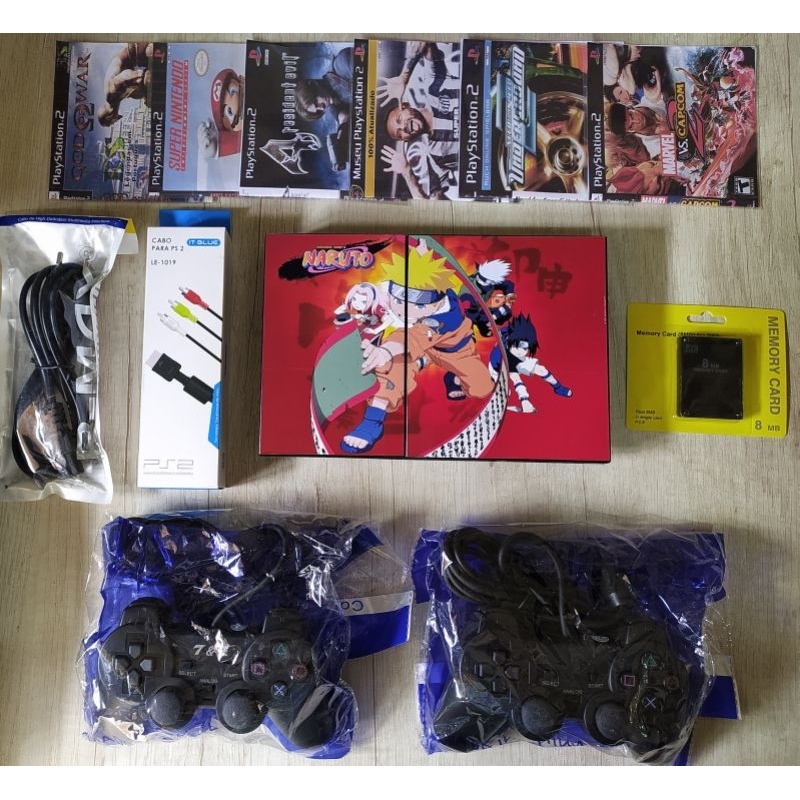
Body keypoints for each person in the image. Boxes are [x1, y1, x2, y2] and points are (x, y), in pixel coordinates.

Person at [340, 244, 494, 453]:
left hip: (455, 353)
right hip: (419, 348)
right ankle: (372, 422)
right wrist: (421, 252)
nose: (401, 308)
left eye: (418, 303)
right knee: (391, 368)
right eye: (397, 297)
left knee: (482, 388)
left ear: (435, 303)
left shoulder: (444, 317)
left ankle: (453, 377)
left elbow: (413, 336)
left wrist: (386, 350)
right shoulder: (423, 286)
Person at [489, 313, 572, 414]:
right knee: (507, 391)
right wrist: (525, 400)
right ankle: (519, 402)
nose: (522, 351)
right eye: (518, 347)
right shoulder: (500, 354)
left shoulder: (512, 335)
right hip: (498, 369)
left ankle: (558, 388)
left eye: (525, 348)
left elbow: (504, 330)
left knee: (541, 370)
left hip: (516, 360)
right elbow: (516, 379)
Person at [97, 42, 153, 127]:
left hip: (135, 51)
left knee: (148, 80)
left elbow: (122, 77)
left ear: (108, 118)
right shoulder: (116, 100)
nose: (115, 122)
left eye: (111, 123)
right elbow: (132, 90)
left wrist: (137, 74)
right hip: (135, 57)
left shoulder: (111, 95)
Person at [295, 46, 353, 127]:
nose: (322, 108)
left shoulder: (343, 63)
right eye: (318, 111)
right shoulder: (331, 100)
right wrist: (340, 117)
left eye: (316, 103)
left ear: (314, 85)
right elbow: (333, 110)